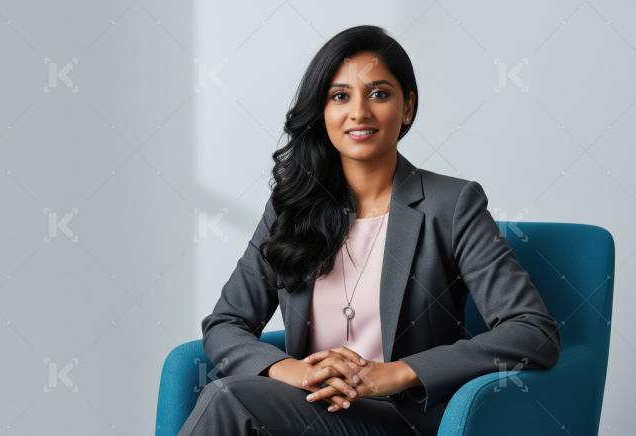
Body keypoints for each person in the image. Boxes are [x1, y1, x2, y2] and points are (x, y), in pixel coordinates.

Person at [179, 24, 560, 436]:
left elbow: (531, 331)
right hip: (305, 409)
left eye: (379, 93)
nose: (359, 111)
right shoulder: (290, 208)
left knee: (228, 397)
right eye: (340, 96)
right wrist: (289, 370)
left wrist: (398, 372)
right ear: (322, 111)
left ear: (408, 107)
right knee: (229, 397)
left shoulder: (451, 205)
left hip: (400, 419)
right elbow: (225, 323)